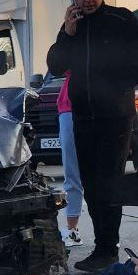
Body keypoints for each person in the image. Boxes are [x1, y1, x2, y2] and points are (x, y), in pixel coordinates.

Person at [46, 0, 138, 272]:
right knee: (91, 184)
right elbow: (55, 65)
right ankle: (101, 248)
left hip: (116, 116)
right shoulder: (72, 27)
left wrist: (120, 83)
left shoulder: (122, 19)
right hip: (83, 117)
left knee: (109, 182)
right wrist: (67, 34)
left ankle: (109, 247)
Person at [57, 73, 83, 247]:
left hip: (72, 108)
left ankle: (72, 231)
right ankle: (73, 230)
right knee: (74, 173)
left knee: (72, 172)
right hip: (70, 108)